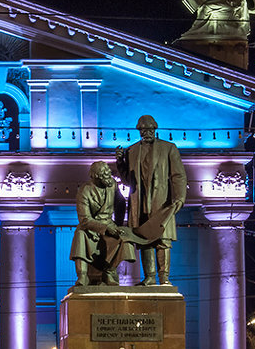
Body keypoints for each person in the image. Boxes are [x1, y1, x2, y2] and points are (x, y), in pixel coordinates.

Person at [116, 115, 187, 285]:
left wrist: (179, 198)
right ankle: (149, 277)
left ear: (155, 129)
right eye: (142, 130)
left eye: (149, 129)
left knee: (163, 240)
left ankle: (164, 278)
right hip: (140, 201)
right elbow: (127, 181)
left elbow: (178, 175)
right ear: (139, 131)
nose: (146, 133)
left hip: (162, 202)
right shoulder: (132, 151)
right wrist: (120, 162)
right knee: (143, 239)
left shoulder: (169, 148)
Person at [70, 161, 137, 285]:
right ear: (95, 177)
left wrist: (118, 224)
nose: (108, 179)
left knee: (124, 237)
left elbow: (121, 203)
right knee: (80, 235)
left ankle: (109, 271)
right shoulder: (84, 191)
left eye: (108, 175)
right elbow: (84, 219)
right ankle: (82, 276)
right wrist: (105, 228)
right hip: (90, 227)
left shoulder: (113, 185)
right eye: (104, 176)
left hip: (109, 223)